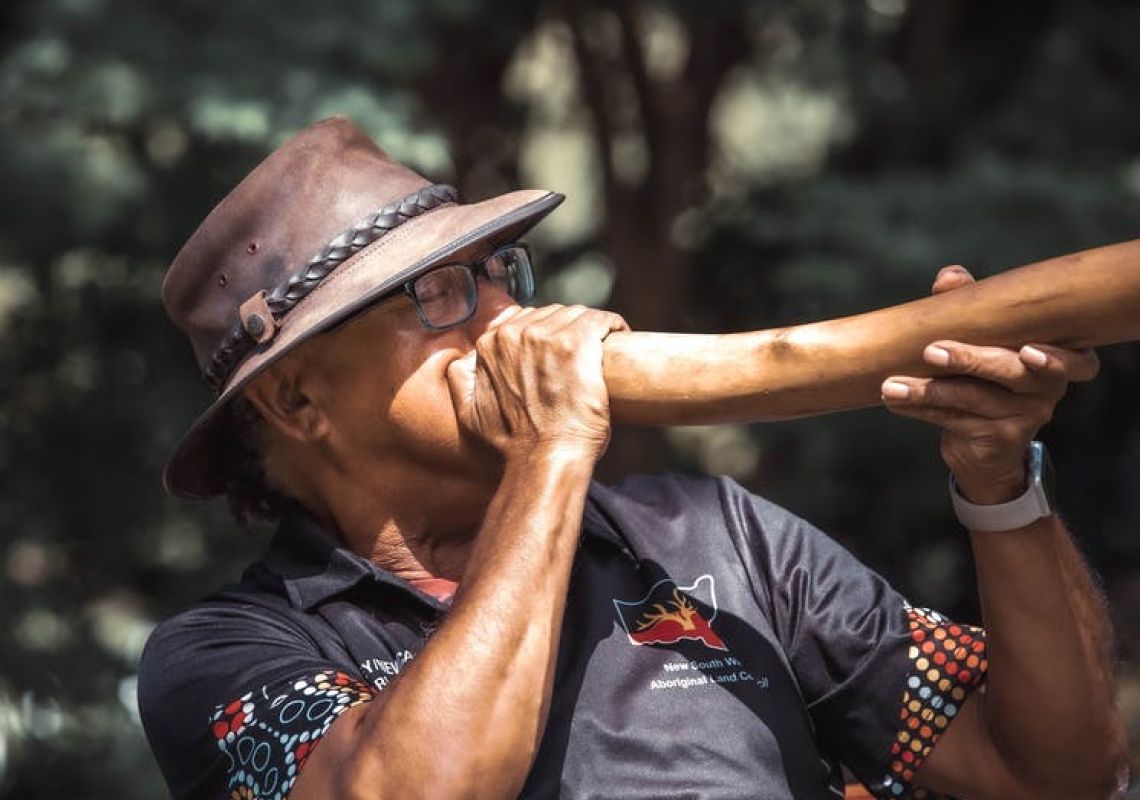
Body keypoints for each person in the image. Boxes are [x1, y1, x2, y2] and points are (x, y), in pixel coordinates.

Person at [139, 116, 1127, 800]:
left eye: (497, 274)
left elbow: (1056, 773)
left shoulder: (716, 534)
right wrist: (551, 452)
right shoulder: (227, 651)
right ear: (298, 397)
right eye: (440, 295)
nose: (508, 315)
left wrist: (999, 478)